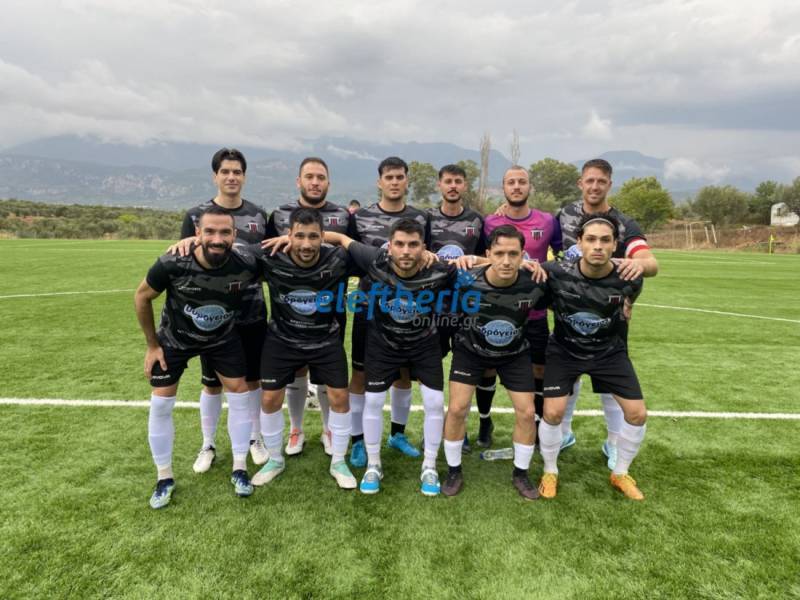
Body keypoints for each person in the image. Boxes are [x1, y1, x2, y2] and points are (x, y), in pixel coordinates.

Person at [134, 206, 261, 508]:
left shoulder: (246, 261)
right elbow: (142, 296)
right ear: (197, 234)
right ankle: (164, 477)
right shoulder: (173, 262)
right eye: (210, 231)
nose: (217, 238)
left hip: (222, 339)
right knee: (161, 402)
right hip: (176, 339)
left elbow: (283, 256)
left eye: (225, 232)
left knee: (240, 393)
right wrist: (152, 345)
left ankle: (240, 468)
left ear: (235, 235)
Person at [324, 219, 452, 496]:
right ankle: (374, 464)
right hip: (383, 345)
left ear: (423, 248)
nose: (406, 251)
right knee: (373, 400)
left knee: (434, 402)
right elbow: (342, 239)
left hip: (424, 345)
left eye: (413, 245)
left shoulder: (439, 269)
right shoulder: (374, 260)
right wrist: (293, 239)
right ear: (389, 247)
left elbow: (478, 267)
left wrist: (481, 260)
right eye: (400, 244)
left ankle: (429, 466)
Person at [536, 213, 648, 500]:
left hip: (609, 352)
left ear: (615, 245)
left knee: (637, 414)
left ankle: (620, 473)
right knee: (552, 413)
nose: (598, 246)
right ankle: (550, 471)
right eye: (591, 239)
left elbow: (626, 307)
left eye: (605, 240)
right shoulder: (555, 272)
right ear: (580, 243)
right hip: (564, 351)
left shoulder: (629, 277)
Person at [556, 158, 658, 469]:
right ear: (580, 183)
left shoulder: (624, 224)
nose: (595, 186)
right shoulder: (564, 216)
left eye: (601, 181)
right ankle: (563, 433)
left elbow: (650, 263)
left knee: (610, 378)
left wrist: (631, 268)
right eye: (589, 180)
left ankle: (613, 442)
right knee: (569, 373)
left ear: (609, 185)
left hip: (609, 312)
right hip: (570, 308)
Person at [252, 208, 358, 490]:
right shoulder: (270, 256)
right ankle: (275, 460)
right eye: (299, 236)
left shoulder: (338, 258)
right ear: (289, 236)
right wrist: (192, 242)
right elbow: (229, 251)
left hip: (326, 340)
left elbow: (379, 256)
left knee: (340, 398)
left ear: (323, 236)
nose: (307, 244)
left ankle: (339, 462)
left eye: (313, 237)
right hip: (282, 340)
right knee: (269, 399)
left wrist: (341, 238)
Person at [178, 148, 270, 473]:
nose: (232, 177)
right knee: (212, 383)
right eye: (225, 171)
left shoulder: (259, 215)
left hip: (253, 312)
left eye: (237, 172)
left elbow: (268, 260)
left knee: (254, 380)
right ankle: (208, 444)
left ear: (244, 176)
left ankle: (255, 438)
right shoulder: (196, 215)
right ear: (215, 176)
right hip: (213, 317)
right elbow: (186, 262)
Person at [441, 225, 547, 500]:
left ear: (523, 255)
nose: (506, 261)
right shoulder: (465, 278)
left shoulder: (536, 280)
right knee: (457, 409)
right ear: (488, 254)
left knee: (527, 412)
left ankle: (521, 473)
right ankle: (453, 470)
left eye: (513, 254)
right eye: (499, 253)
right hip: (470, 351)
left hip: (514, 354)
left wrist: (627, 300)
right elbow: (428, 270)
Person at [345, 157, 432, 467]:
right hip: (369, 306)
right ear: (379, 182)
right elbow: (350, 253)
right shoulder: (361, 217)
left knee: (403, 373)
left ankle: (397, 434)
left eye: (399, 177)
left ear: (407, 180)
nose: (394, 182)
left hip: (408, 309)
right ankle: (357, 440)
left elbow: (428, 257)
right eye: (389, 177)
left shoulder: (421, 217)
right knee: (360, 373)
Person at [265, 158, 351, 458]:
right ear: (298, 181)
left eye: (321, 177)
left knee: (328, 373)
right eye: (309, 177)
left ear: (328, 182)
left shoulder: (342, 215)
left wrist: (332, 238)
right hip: (291, 307)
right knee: (296, 368)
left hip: (330, 305)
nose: (315, 182)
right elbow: (268, 251)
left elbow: (350, 249)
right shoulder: (279, 214)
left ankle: (329, 429)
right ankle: (296, 428)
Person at [481, 166, 562, 448]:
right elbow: (482, 259)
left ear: (530, 187)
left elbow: (563, 259)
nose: (516, 186)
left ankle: (537, 426)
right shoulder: (490, 222)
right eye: (511, 182)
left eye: (522, 182)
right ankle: (484, 422)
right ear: (503, 188)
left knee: (539, 370)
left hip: (534, 312)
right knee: (488, 369)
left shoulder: (548, 221)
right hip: (498, 311)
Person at [427, 164, 486, 453]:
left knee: (463, 371)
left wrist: (474, 260)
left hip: (466, 307)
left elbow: (488, 258)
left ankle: (458, 429)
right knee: (433, 370)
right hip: (434, 306)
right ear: (439, 185)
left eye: (458, 181)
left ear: (465, 185)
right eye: (448, 181)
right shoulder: (427, 219)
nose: (453, 186)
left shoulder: (476, 220)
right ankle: (437, 427)